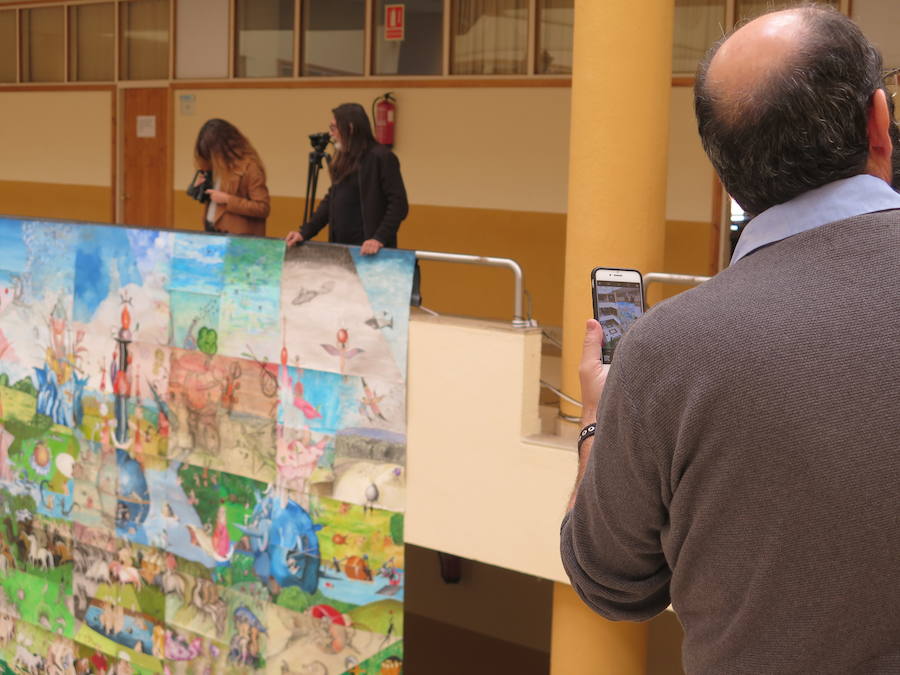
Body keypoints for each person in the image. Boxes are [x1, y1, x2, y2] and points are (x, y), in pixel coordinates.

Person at [561, 6, 900, 673]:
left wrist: (597, 418)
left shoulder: (666, 352)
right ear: (880, 121)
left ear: (725, 166)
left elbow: (609, 579)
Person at [285, 103, 408, 255]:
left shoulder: (381, 157)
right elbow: (332, 199)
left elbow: (399, 204)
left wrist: (378, 238)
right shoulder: (344, 157)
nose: (331, 134)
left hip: (370, 251)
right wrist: (305, 232)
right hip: (342, 248)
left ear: (350, 128)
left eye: (334, 128)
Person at [193, 118, 270, 236]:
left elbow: (262, 208)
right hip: (212, 229)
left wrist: (228, 199)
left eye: (214, 153)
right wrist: (199, 188)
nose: (213, 159)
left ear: (226, 147)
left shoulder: (250, 167)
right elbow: (211, 196)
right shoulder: (214, 164)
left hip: (237, 238)